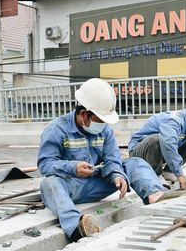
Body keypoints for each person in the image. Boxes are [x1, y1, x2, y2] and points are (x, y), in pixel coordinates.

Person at [38, 78, 167, 242]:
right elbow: (45, 164)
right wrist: (73, 167)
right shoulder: (57, 130)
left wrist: (117, 175)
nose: (104, 125)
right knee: (48, 184)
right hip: (71, 186)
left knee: (135, 163)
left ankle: (156, 199)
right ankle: (77, 227)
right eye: (100, 120)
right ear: (83, 113)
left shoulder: (105, 131)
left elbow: (113, 159)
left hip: (98, 183)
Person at [128, 103, 186, 190]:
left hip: (156, 153)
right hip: (139, 154)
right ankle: (156, 174)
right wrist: (179, 174)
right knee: (156, 139)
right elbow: (169, 146)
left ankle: (168, 172)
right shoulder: (173, 121)